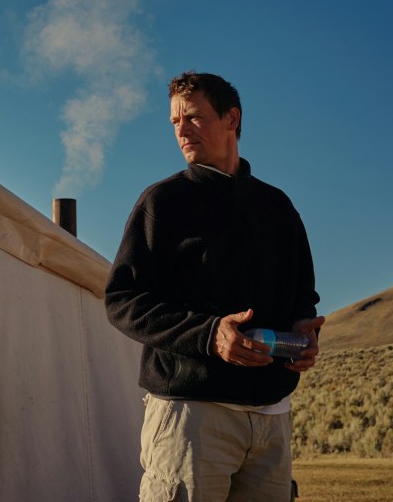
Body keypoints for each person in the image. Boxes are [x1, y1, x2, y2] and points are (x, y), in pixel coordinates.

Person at [105, 71, 325, 501]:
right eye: (174, 122)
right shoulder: (162, 202)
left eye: (193, 118)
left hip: (272, 418)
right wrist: (209, 335)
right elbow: (122, 300)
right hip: (191, 416)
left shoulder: (277, 207)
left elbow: (303, 294)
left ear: (231, 118)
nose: (181, 130)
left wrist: (305, 332)